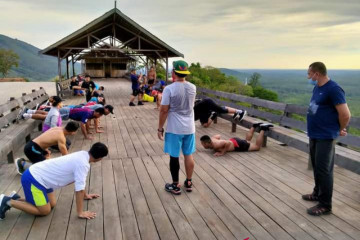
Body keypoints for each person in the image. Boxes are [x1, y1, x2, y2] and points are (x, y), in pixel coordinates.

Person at [0, 142, 108, 220]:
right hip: (34, 179)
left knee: (52, 204)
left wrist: (85, 195)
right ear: (100, 158)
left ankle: (16, 198)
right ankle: (7, 201)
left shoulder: (83, 154)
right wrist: (80, 212)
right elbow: (79, 189)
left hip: (44, 179)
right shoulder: (83, 164)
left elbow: (80, 183)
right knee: (44, 211)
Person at [302, 62, 351, 216]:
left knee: (324, 170)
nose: (308, 77)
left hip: (325, 136)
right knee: (317, 166)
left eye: (310, 74)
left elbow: (345, 114)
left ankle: (325, 204)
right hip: (315, 134)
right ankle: (317, 193)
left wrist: (338, 129)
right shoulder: (318, 87)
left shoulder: (334, 89)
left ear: (317, 73)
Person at [158, 60, 196, 195]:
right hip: (190, 127)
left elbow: (163, 110)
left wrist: (160, 128)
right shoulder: (193, 87)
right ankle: (189, 182)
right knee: (188, 154)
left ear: (173, 72)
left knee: (174, 156)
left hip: (175, 128)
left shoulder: (169, 89)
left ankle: (175, 185)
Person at [14, 121, 80, 175]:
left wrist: (46, 149)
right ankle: (22, 163)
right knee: (46, 168)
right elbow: (65, 156)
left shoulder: (57, 128)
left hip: (33, 145)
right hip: (32, 149)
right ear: (73, 131)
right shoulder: (61, 137)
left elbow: (45, 138)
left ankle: (31, 161)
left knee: (47, 159)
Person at [200, 123, 273, 156]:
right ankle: (254, 126)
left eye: (203, 144)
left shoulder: (216, 145)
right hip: (235, 141)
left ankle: (263, 129)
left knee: (257, 147)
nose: (202, 145)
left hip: (238, 145)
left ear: (207, 143)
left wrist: (222, 152)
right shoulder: (212, 139)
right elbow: (218, 136)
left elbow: (227, 143)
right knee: (247, 141)